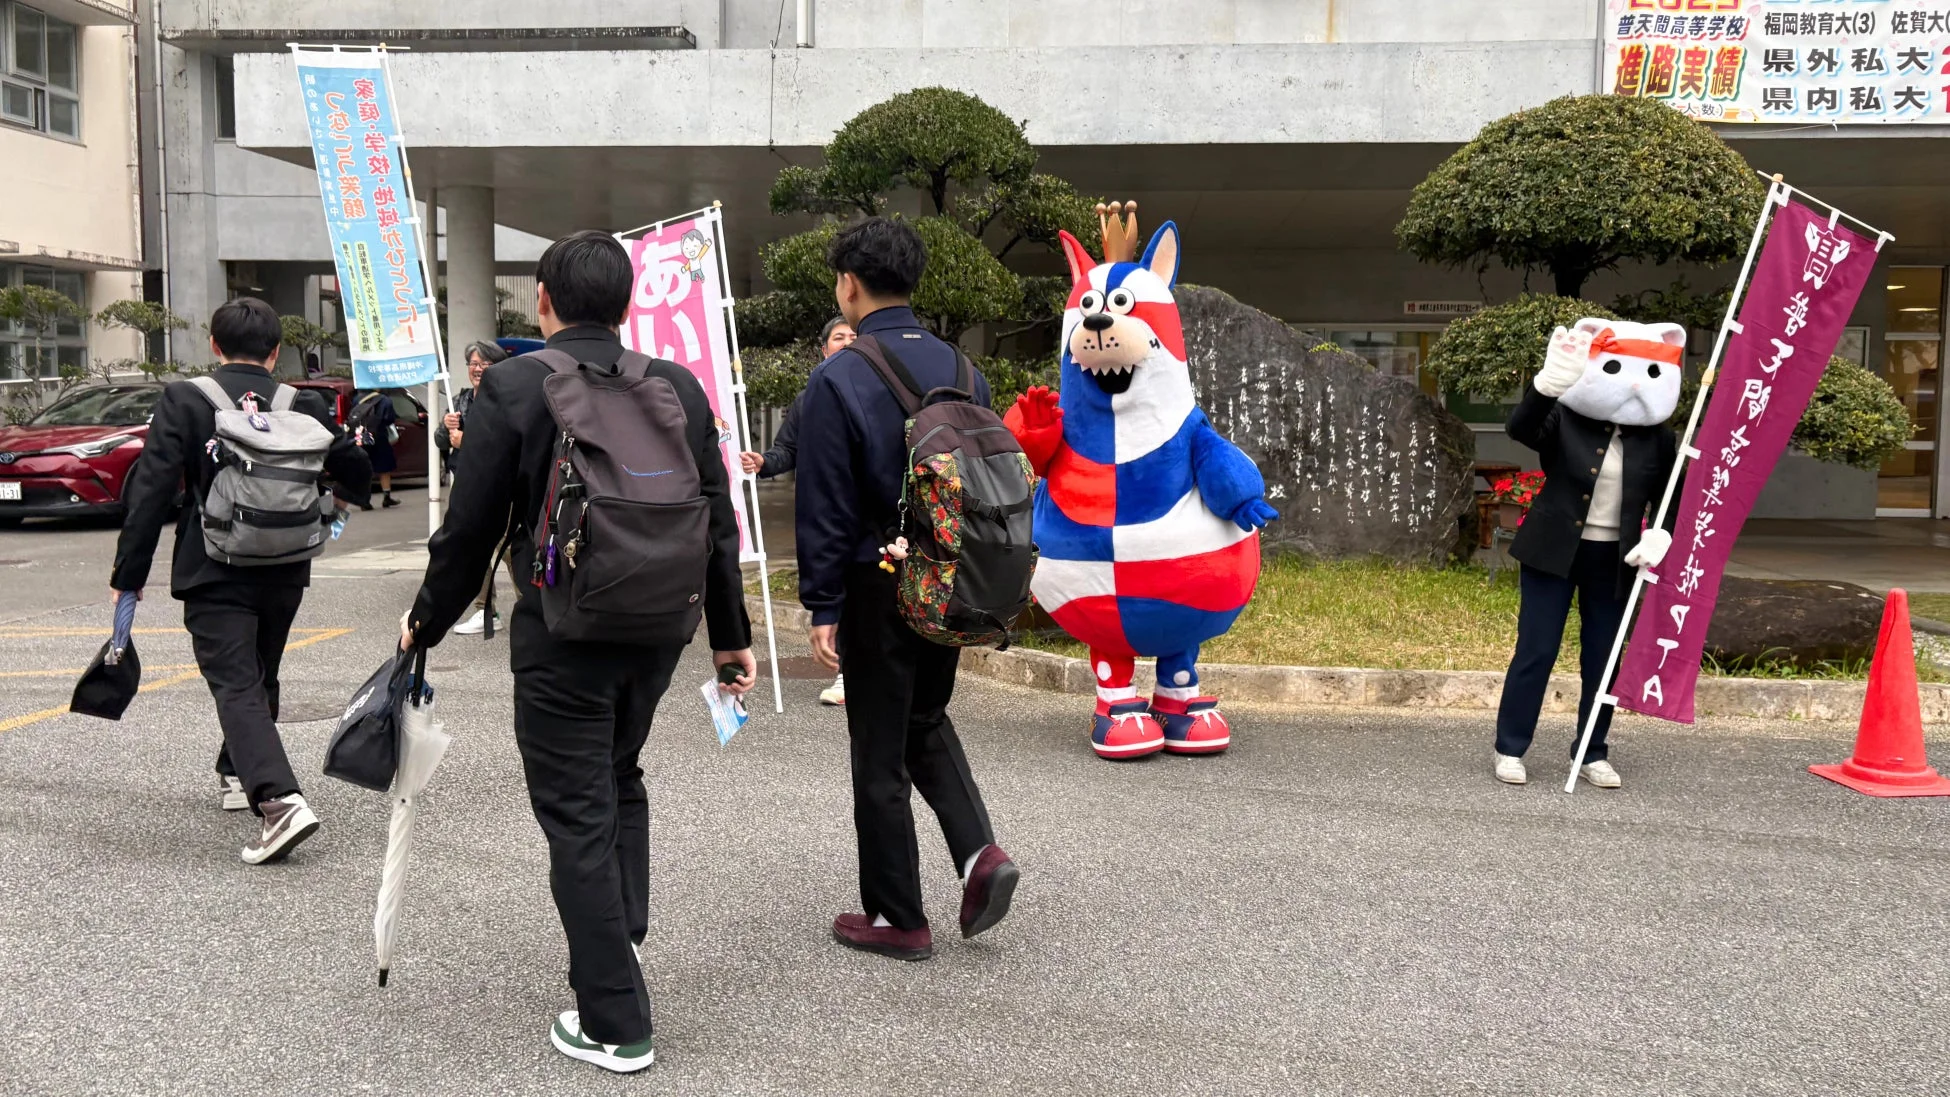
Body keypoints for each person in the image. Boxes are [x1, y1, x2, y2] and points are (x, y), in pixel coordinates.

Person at [399, 230, 754, 1074]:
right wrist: (730, 638)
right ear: (627, 304)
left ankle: (615, 1019)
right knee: (618, 772)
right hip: (661, 628)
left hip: (563, 632)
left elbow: (469, 529)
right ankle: (618, 935)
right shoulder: (676, 386)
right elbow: (716, 518)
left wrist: (425, 621)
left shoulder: (516, 385)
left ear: (547, 303)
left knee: (576, 809)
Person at [795, 217, 1018, 962]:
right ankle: (979, 853)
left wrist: (823, 605)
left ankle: (898, 916)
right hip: (949, 574)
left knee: (878, 749)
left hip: (876, 580)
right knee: (925, 716)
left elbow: (824, 503)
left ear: (849, 284)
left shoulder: (841, 375)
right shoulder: (966, 367)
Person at [109, 296, 371, 863]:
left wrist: (128, 576)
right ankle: (235, 770)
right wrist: (340, 504)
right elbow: (356, 469)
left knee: (235, 682)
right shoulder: (303, 402)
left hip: (213, 564)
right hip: (285, 562)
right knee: (259, 671)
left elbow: (150, 490)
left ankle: (278, 802)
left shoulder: (185, 398)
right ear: (276, 352)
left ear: (213, 345)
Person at [1494, 319, 1681, 790]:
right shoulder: (1566, 417)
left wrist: (1662, 535)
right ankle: (1511, 747)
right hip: (1551, 552)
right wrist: (1548, 383)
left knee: (1604, 657)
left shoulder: (1657, 437)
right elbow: (1520, 427)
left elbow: (1670, 497)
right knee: (1536, 650)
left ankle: (1593, 751)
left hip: (1615, 559)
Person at [739, 316, 855, 705]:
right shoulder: (810, 399)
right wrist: (763, 463)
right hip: (825, 515)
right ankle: (845, 674)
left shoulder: (876, 392)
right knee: (835, 589)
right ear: (823, 350)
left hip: (870, 514)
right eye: (839, 338)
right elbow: (787, 449)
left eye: (854, 336)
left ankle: (863, 674)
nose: (848, 341)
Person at [440, 339, 513, 636]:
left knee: (509, 548)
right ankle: (485, 610)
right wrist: (446, 428)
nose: (478, 369)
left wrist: (465, 441)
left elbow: (506, 445)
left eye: (485, 364)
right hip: (468, 485)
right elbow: (440, 440)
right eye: (473, 364)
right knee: (472, 547)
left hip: (500, 485)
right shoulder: (461, 400)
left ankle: (530, 605)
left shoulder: (506, 401)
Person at [349, 388, 400, 509]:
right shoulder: (385, 400)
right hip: (379, 437)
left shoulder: (357, 399)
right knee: (384, 468)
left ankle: (364, 500)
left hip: (361, 436)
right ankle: (386, 497)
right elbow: (389, 419)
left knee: (365, 467)